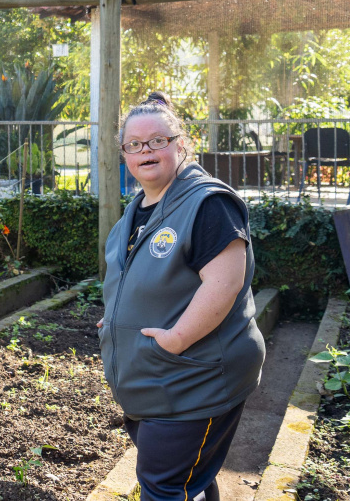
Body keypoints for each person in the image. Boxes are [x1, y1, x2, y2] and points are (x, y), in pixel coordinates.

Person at [97, 92, 266, 501]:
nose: (146, 151)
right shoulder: (137, 210)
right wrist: (115, 317)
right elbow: (138, 279)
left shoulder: (207, 203)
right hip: (156, 379)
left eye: (158, 140)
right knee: (190, 476)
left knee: (163, 484)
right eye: (134, 145)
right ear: (124, 154)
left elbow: (223, 284)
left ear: (181, 143)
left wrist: (177, 339)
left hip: (194, 376)